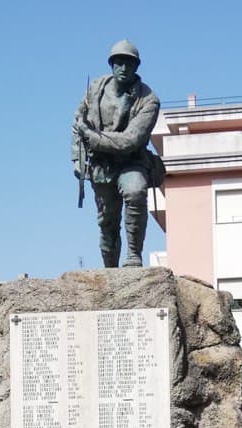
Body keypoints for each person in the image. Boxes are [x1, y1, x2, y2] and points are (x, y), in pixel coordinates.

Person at [72, 39, 162, 268]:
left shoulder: (149, 100)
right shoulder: (96, 88)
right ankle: (110, 269)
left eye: (129, 63)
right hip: (102, 166)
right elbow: (78, 122)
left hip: (131, 161)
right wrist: (76, 157)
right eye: (119, 62)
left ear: (136, 67)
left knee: (135, 191)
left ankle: (134, 254)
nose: (124, 68)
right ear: (112, 64)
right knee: (107, 221)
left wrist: (93, 138)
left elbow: (131, 140)